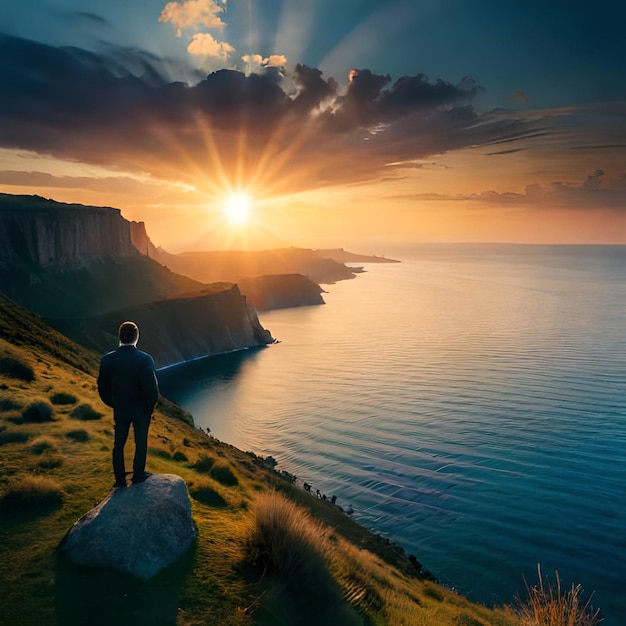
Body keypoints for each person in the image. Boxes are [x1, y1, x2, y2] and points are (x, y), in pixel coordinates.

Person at [97, 321, 159, 488]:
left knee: (119, 443)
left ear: (119, 336)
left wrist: (113, 403)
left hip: (120, 408)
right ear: (137, 337)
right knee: (141, 441)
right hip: (141, 410)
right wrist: (149, 406)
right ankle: (138, 475)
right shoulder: (145, 359)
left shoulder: (108, 359)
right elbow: (152, 390)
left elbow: (102, 387)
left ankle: (119, 479)